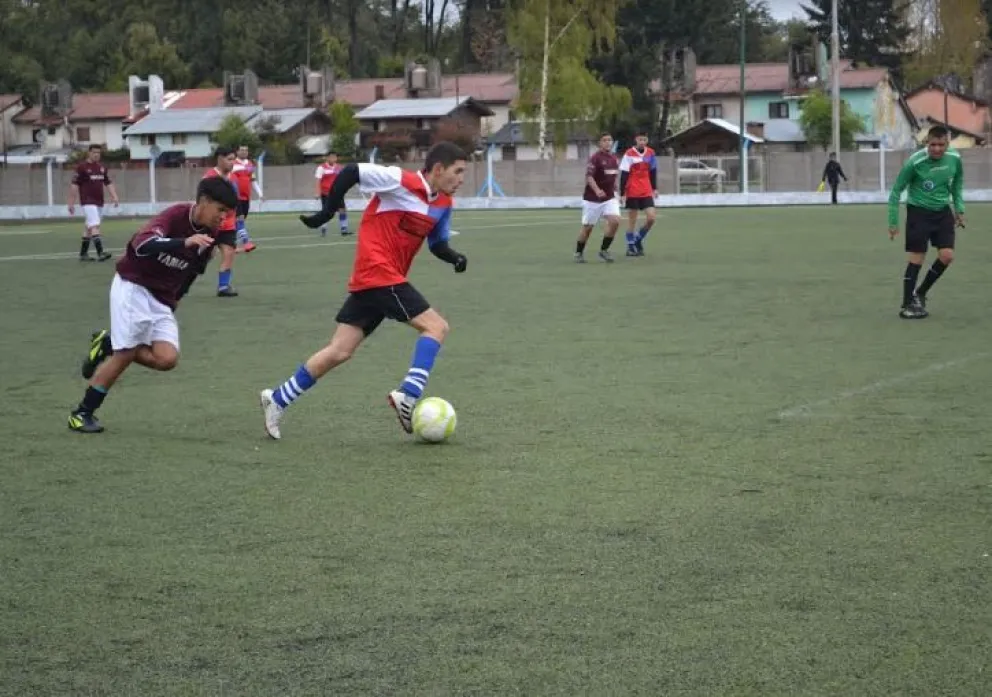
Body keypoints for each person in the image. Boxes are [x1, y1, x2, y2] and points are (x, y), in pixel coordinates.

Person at [263, 142, 469, 440]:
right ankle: (408, 396)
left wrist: (455, 257)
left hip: (378, 280)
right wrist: (327, 211)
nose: (461, 178)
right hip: (378, 273)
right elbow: (351, 172)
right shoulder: (401, 180)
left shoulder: (443, 204)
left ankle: (278, 398)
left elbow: (437, 243)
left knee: (339, 351)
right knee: (436, 327)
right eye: (458, 171)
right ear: (438, 169)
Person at [67, 177, 238, 433]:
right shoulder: (175, 215)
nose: (223, 217)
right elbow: (142, 244)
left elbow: (192, 272)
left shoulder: (210, 236)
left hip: (161, 298)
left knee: (166, 359)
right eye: (221, 210)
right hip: (132, 286)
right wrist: (184, 241)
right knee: (126, 353)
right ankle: (82, 412)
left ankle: (108, 343)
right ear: (203, 201)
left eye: (228, 212)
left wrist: (176, 299)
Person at [887, 125, 964, 319]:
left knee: (947, 256)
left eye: (941, 145)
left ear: (947, 143)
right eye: (933, 145)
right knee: (917, 259)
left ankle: (920, 293)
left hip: (942, 213)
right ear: (926, 143)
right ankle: (906, 305)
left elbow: (957, 183)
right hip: (918, 213)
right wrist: (893, 221)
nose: (937, 149)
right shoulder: (915, 162)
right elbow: (896, 191)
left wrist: (959, 209)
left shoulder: (954, 159)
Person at [67, 144, 120, 262]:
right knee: (95, 225)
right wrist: (71, 203)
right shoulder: (82, 168)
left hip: (99, 201)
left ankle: (83, 254)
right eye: (94, 152)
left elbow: (108, 183)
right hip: (87, 201)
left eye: (99, 153)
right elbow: (74, 185)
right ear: (89, 153)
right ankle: (100, 253)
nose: (97, 155)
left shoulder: (101, 168)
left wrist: (114, 196)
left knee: (89, 227)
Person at [202, 147, 241, 297]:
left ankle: (223, 286)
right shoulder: (209, 178)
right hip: (211, 224)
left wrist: (239, 218)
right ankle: (179, 280)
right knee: (204, 256)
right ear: (219, 159)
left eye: (233, 160)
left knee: (229, 252)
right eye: (229, 159)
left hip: (229, 224)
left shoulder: (233, 178)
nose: (232, 163)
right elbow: (203, 201)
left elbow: (236, 201)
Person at [575, 133, 621, 263]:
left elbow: (613, 177)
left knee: (615, 221)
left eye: (610, 140)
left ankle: (604, 250)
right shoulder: (595, 158)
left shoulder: (614, 158)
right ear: (599, 143)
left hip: (609, 198)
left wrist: (617, 192)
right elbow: (589, 177)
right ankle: (579, 252)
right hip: (592, 199)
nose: (608, 142)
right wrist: (597, 190)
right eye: (604, 140)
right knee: (588, 228)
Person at [619, 132, 658, 256]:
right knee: (632, 221)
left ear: (647, 140)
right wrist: (622, 193)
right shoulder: (629, 154)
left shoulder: (651, 153)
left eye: (644, 139)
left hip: (646, 190)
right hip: (632, 190)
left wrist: (654, 188)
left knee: (651, 218)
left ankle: (637, 239)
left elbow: (653, 171)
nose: (642, 142)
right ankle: (630, 246)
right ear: (636, 139)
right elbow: (624, 174)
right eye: (640, 139)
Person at [231, 144, 263, 252]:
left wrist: (260, 193)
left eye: (246, 150)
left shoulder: (249, 165)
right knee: (239, 219)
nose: (244, 152)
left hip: (246, 197)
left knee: (239, 221)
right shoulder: (232, 164)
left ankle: (231, 243)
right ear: (237, 152)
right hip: (235, 196)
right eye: (242, 150)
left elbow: (253, 180)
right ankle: (246, 242)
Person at [314, 151, 350, 237]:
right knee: (326, 211)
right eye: (331, 157)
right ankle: (323, 228)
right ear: (327, 158)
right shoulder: (321, 168)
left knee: (342, 210)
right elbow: (318, 181)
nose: (333, 159)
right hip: (326, 193)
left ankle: (344, 229)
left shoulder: (339, 168)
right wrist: (317, 192)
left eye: (335, 157)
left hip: (337, 193)